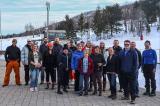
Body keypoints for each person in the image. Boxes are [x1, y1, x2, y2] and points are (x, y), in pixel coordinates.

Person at [119, 40, 138, 104]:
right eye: (125, 44)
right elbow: (119, 62)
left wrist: (134, 71)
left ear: (129, 45)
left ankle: (133, 99)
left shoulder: (133, 52)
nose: (126, 45)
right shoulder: (121, 52)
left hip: (131, 73)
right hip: (123, 72)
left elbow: (136, 63)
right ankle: (126, 96)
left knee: (132, 86)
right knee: (125, 85)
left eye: (127, 44)